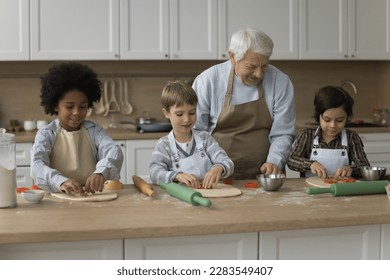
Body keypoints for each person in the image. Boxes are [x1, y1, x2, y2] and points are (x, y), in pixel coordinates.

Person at [192, 28, 295, 179]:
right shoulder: (208, 81)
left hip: (264, 172)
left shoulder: (280, 81)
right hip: (216, 173)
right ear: (233, 57)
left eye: (264, 66)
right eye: (252, 66)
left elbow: (283, 132)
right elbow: (196, 132)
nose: (259, 74)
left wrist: (275, 161)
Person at [31, 62, 124, 195]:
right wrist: (60, 181)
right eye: (69, 106)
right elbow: (37, 166)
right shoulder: (47, 134)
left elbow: (114, 151)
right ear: (56, 106)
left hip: (90, 197)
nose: (76, 112)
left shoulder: (94, 131)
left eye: (83, 106)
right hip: (56, 198)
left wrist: (100, 172)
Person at [149, 80, 234, 189]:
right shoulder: (164, 145)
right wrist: (177, 175)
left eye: (192, 113)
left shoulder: (205, 139)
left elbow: (228, 162)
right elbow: (154, 173)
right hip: (178, 199)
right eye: (179, 114)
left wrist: (219, 168)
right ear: (166, 113)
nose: (187, 119)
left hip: (208, 194)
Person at [287, 85, 370, 179]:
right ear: (319, 116)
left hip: (341, 189)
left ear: (347, 118)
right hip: (310, 189)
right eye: (327, 120)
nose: (333, 125)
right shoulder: (307, 135)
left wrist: (350, 169)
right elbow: (291, 160)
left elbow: (365, 166)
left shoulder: (351, 137)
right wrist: (310, 164)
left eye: (339, 120)